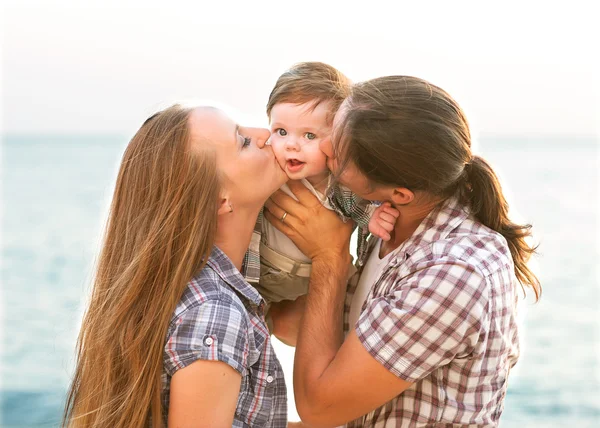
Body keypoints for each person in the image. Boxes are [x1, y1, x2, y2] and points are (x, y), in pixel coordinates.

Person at [265, 76, 541, 427]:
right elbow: (301, 325)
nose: (326, 147)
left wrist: (329, 257)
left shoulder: (454, 273)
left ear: (399, 193)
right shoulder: (391, 221)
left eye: (341, 152)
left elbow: (318, 408)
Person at [63, 105, 288, 427]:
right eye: (243, 141)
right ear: (219, 200)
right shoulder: (214, 313)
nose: (265, 134)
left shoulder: (187, 289)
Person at [251, 62, 398, 329]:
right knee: (252, 318)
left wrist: (373, 218)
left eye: (309, 135)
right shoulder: (269, 168)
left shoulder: (340, 180)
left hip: (312, 279)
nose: (291, 144)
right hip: (264, 273)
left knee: (348, 314)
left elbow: (355, 204)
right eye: (281, 131)